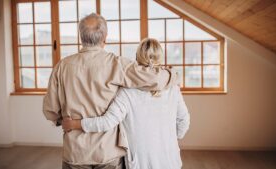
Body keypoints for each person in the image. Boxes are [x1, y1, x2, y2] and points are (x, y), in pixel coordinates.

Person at [42, 13, 179, 169]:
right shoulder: (117, 64)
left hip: (75, 153)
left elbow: (50, 111)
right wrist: (173, 74)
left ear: (81, 36)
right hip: (107, 153)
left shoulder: (62, 66)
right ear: (104, 38)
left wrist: (65, 121)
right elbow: (154, 79)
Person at [62, 38, 190, 169]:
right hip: (171, 161)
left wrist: (75, 123)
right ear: (161, 58)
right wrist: (169, 141)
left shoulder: (127, 92)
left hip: (140, 164)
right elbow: (184, 121)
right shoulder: (173, 88)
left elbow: (107, 122)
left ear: (137, 58)